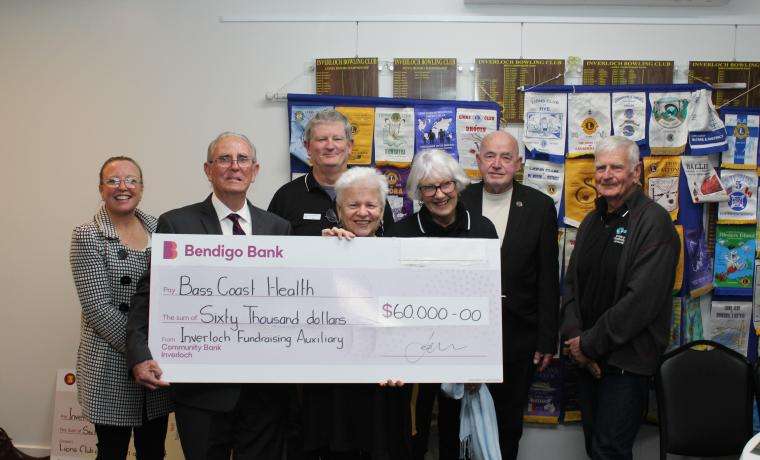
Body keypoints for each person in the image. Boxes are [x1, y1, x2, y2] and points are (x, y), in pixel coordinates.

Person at [126, 132, 292, 460]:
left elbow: (290, 301)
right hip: (200, 390)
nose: (234, 167)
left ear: (255, 170)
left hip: (264, 392)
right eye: (224, 159)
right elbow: (148, 295)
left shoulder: (278, 228)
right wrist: (139, 354)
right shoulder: (176, 224)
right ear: (208, 169)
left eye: (242, 159)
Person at [268, 109, 392, 460]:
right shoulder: (286, 197)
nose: (329, 145)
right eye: (321, 139)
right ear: (307, 148)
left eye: (337, 138)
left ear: (351, 146)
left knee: (364, 437)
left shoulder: (370, 192)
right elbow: (273, 265)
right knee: (313, 436)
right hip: (310, 346)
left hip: (366, 345)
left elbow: (391, 264)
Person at [560, 136, 679, 460]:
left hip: (626, 365)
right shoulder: (591, 220)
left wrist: (588, 346)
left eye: (616, 167)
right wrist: (576, 339)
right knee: (594, 448)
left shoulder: (654, 222)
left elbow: (640, 302)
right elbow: (570, 285)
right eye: (601, 168)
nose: (607, 175)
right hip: (587, 360)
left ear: (636, 172)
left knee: (609, 452)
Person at [385, 149, 498, 460]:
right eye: (428, 188)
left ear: (457, 184)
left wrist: (482, 362)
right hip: (414, 363)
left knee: (456, 442)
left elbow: (491, 301)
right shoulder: (400, 234)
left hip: (464, 358)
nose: (439, 194)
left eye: (445, 185)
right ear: (418, 193)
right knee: (413, 438)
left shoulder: (483, 229)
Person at [459, 130, 559, 460]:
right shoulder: (458, 200)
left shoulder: (540, 206)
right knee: (458, 422)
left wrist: (547, 339)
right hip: (462, 335)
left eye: (506, 157)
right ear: (477, 160)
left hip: (518, 336)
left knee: (507, 424)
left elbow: (548, 276)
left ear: (519, 163)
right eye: (490, 156)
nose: (497, 164)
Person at [70, 156, 172, 459]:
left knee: (154, 450)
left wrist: (153, 352)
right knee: (112, 451)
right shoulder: (87, 234)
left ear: (141, 188)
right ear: (101, 189)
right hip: (112, 362)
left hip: (156, 359)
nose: (122, 187)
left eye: (131, 180)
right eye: (113, 181)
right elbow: (97, 308)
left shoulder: (161, 228)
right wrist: (140, 353)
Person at [313, 167, 413, 460]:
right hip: (335, 394)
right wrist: (324, 254)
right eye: (353, 205)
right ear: (339, 209)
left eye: (371, 205)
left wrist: (405, 363)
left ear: (383, 210)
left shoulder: (401, 255)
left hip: (386, 389)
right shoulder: (318, 250)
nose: (363, 212)